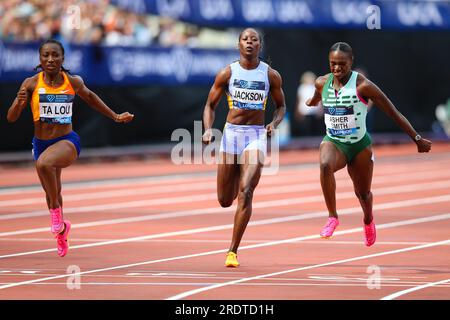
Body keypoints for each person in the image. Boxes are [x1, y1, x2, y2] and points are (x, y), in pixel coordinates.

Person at [7, 39, 134, 257]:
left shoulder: (72, 82)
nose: (50, 59)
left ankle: (56, 214)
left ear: (62, 58)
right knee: (52, 191)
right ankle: (62, 231)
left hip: (67, 141)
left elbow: (91, 98)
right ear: (40, 59)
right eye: (46, 55)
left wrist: (115, 116)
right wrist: (19, 103)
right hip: (40, 143)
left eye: (55, 55)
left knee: (44, 164)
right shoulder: (30, 84)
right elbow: (11, 118)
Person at [306, 42, 432, 246]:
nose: (337, 68)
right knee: (324, 164)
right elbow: (317, 96)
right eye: (333, 64)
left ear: (351, 62)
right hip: (335, 142)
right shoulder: (322, 82)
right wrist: (312, 102)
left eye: (342, 64)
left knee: (363, 194)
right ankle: (332, 217)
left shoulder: (363, 86)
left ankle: (368, 220)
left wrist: (416, 138)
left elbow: (393, 112)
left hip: (359, 146)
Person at [202, 28, 286, 267]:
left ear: (260, 45)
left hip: (255, 137)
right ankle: (236, 176)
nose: (250, 43)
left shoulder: (271, 75)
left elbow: (281, 106)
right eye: (245, 39)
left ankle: (232, 251)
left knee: (246, 191)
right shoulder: (228, 73)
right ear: (239, 44)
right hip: (232, 136)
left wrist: (274, 123)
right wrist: (208, 129)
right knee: (224, 200)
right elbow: (210, 105)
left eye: (254, 40)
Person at [294, 71, 324, 136]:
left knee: (315, 129)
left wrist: (320, 109)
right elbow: (299, 100)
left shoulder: (315, 87)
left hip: (314, 110)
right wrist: (297, 111)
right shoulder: (302, 87)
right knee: (305, 129)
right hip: (304, 111)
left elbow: (319, 98)